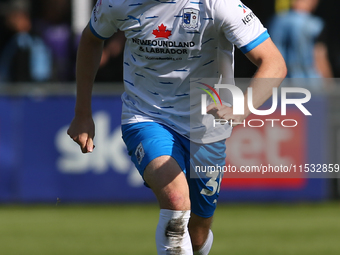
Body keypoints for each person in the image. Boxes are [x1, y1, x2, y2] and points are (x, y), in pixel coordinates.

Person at [67, 0, 286, 254]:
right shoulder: (119, 2)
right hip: (146, 116)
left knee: (198, 234)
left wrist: (243, 107)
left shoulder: (219, 4)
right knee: (176, 201)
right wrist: (82, 112)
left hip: (207, 127)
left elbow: (274, 63)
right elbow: (91, 39)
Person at [269, 0, 333, 79]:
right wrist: (330, 85)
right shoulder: (315, 25)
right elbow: (319, 57)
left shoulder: (275, 21)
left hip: (282, 81)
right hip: (310, 82)